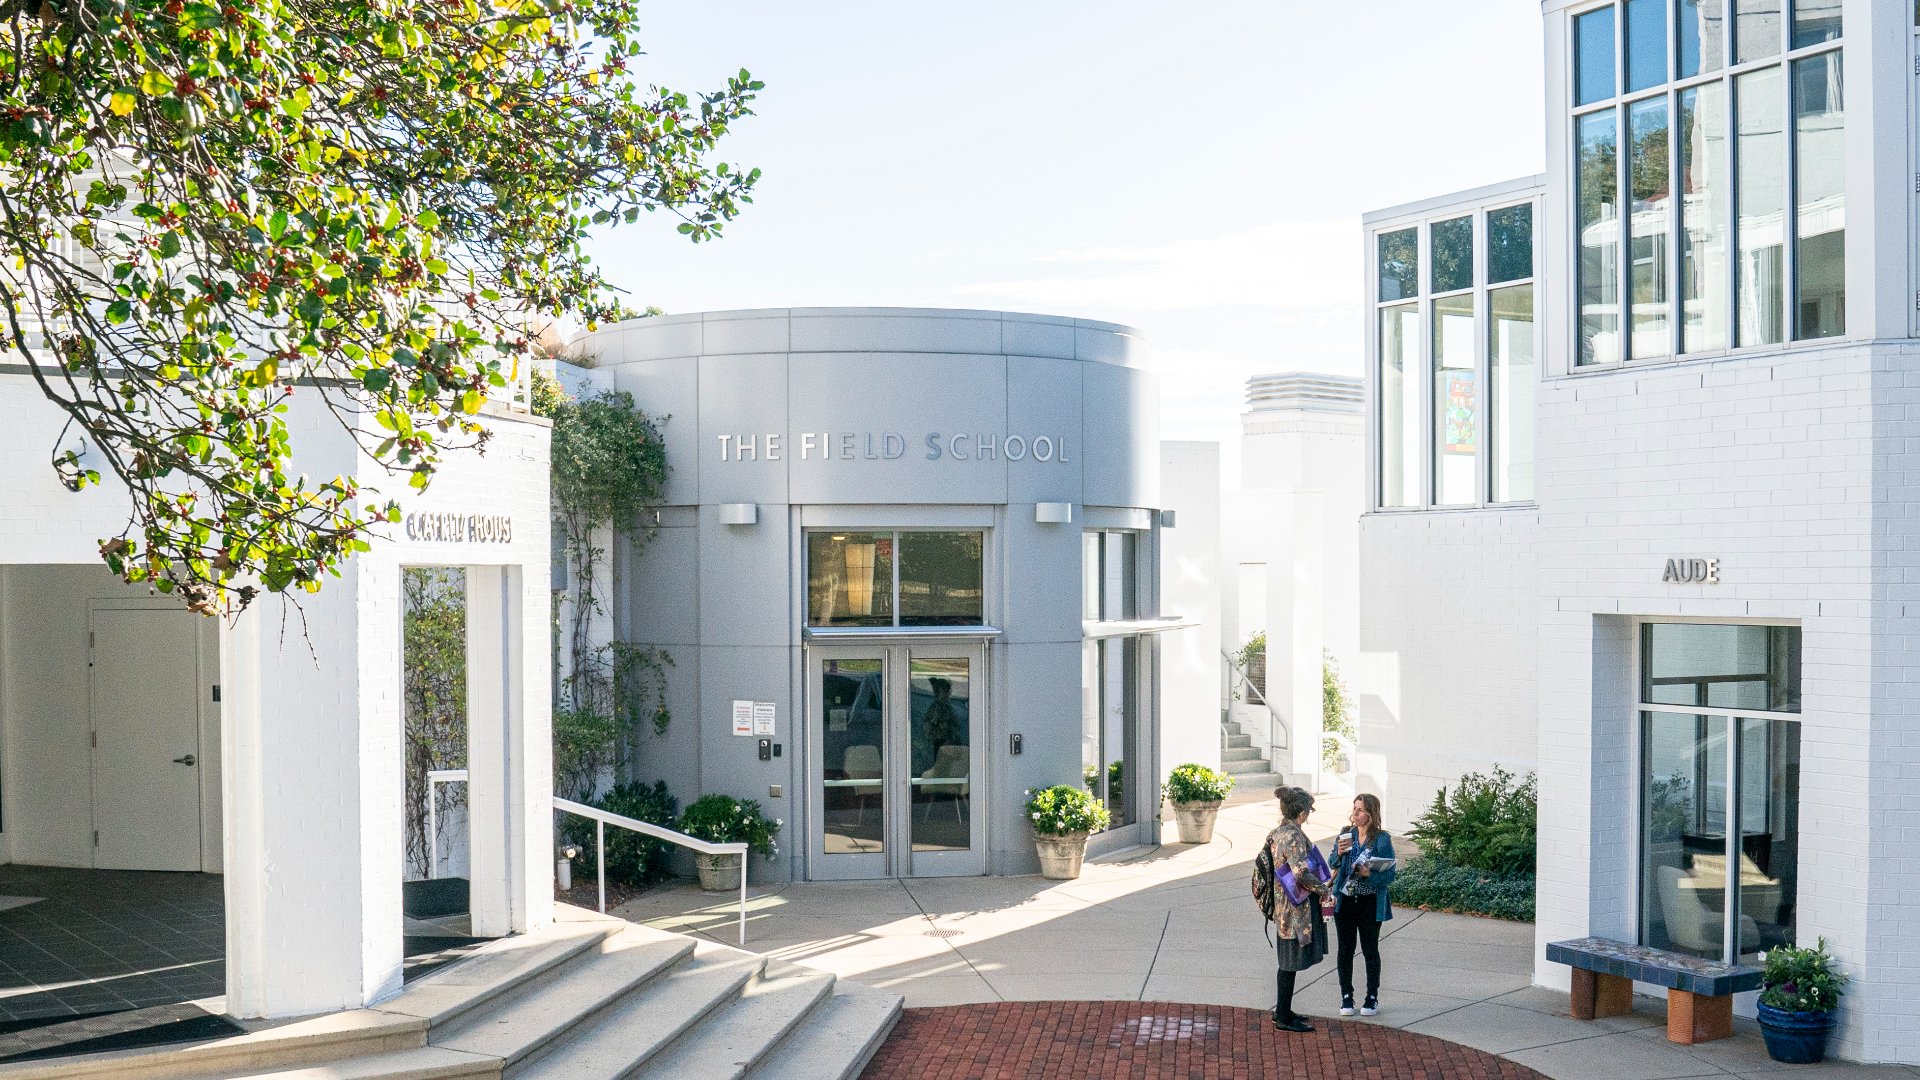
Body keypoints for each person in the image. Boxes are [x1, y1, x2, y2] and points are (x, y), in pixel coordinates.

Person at [1265, 785, 1332, 1033]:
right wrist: (1324, 890)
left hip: (1284, 907)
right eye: (1308, 811)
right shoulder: (1292, 837)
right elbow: (1301, 874)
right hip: (1294, 909)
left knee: (1288, 960)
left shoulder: (1278, 832)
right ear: (1302, 813)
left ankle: (1283, 1010)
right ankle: (1283, 1016)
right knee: (1290, 961)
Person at [1331, 792, 1397, 1017]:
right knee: (1345, 950)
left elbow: (1389, 875)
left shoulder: (1381, 839)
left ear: (1371, 813)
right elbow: (1333, 862)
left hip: (1369, 902)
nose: (1355, 813)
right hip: (1346, 901)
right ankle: (1346, 995)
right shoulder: (1345, 834)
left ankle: (1372, 996)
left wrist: (1370, 875)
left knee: (1370, 950)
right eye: (1354, 808)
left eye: (1360, 809)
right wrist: (1338, 854)